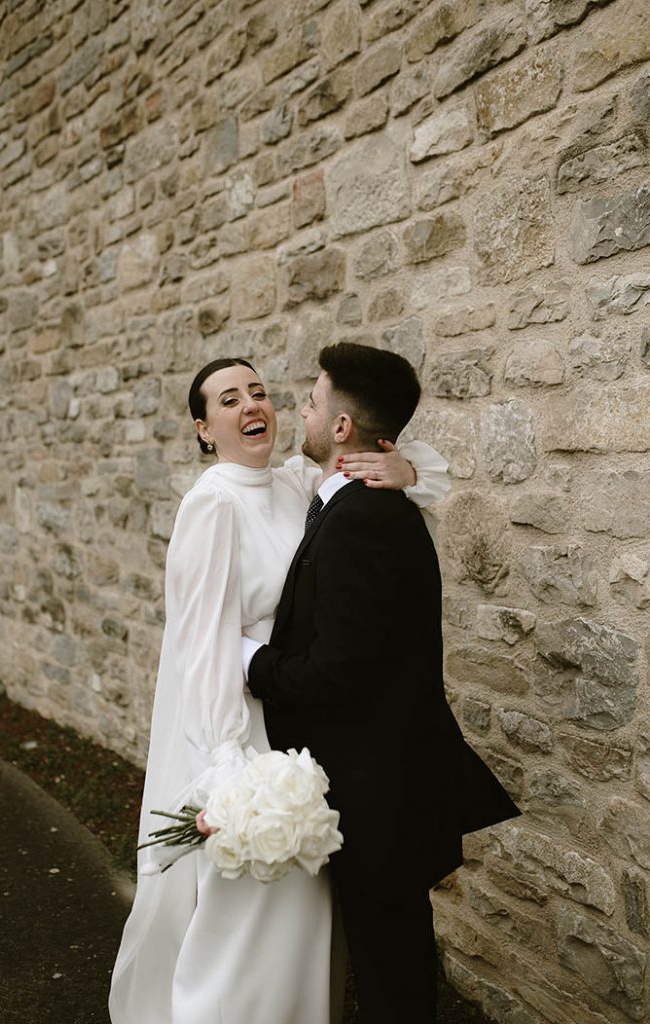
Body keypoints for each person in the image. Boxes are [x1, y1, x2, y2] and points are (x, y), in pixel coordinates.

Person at [109, 356, 450, 1024]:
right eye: (228, 400)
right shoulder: (212, 502)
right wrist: (224, 759)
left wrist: (404, 469)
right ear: (205, 430)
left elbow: (371, 474)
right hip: (243, 722)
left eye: (258, 392)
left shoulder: (296, 482)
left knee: (308, 911)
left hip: (306, 724)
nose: (251, 406)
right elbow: (200, 643)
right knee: (251, 908)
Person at [244, 342, 521, 1024]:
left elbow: (336, 671)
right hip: (383, 783)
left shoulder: (362, 519)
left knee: (389, 964)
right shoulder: (359, 502)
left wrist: (249, 662)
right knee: (387, 953)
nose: (300, 412)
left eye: (311, 402)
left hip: (378, 794)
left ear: (341, 428)